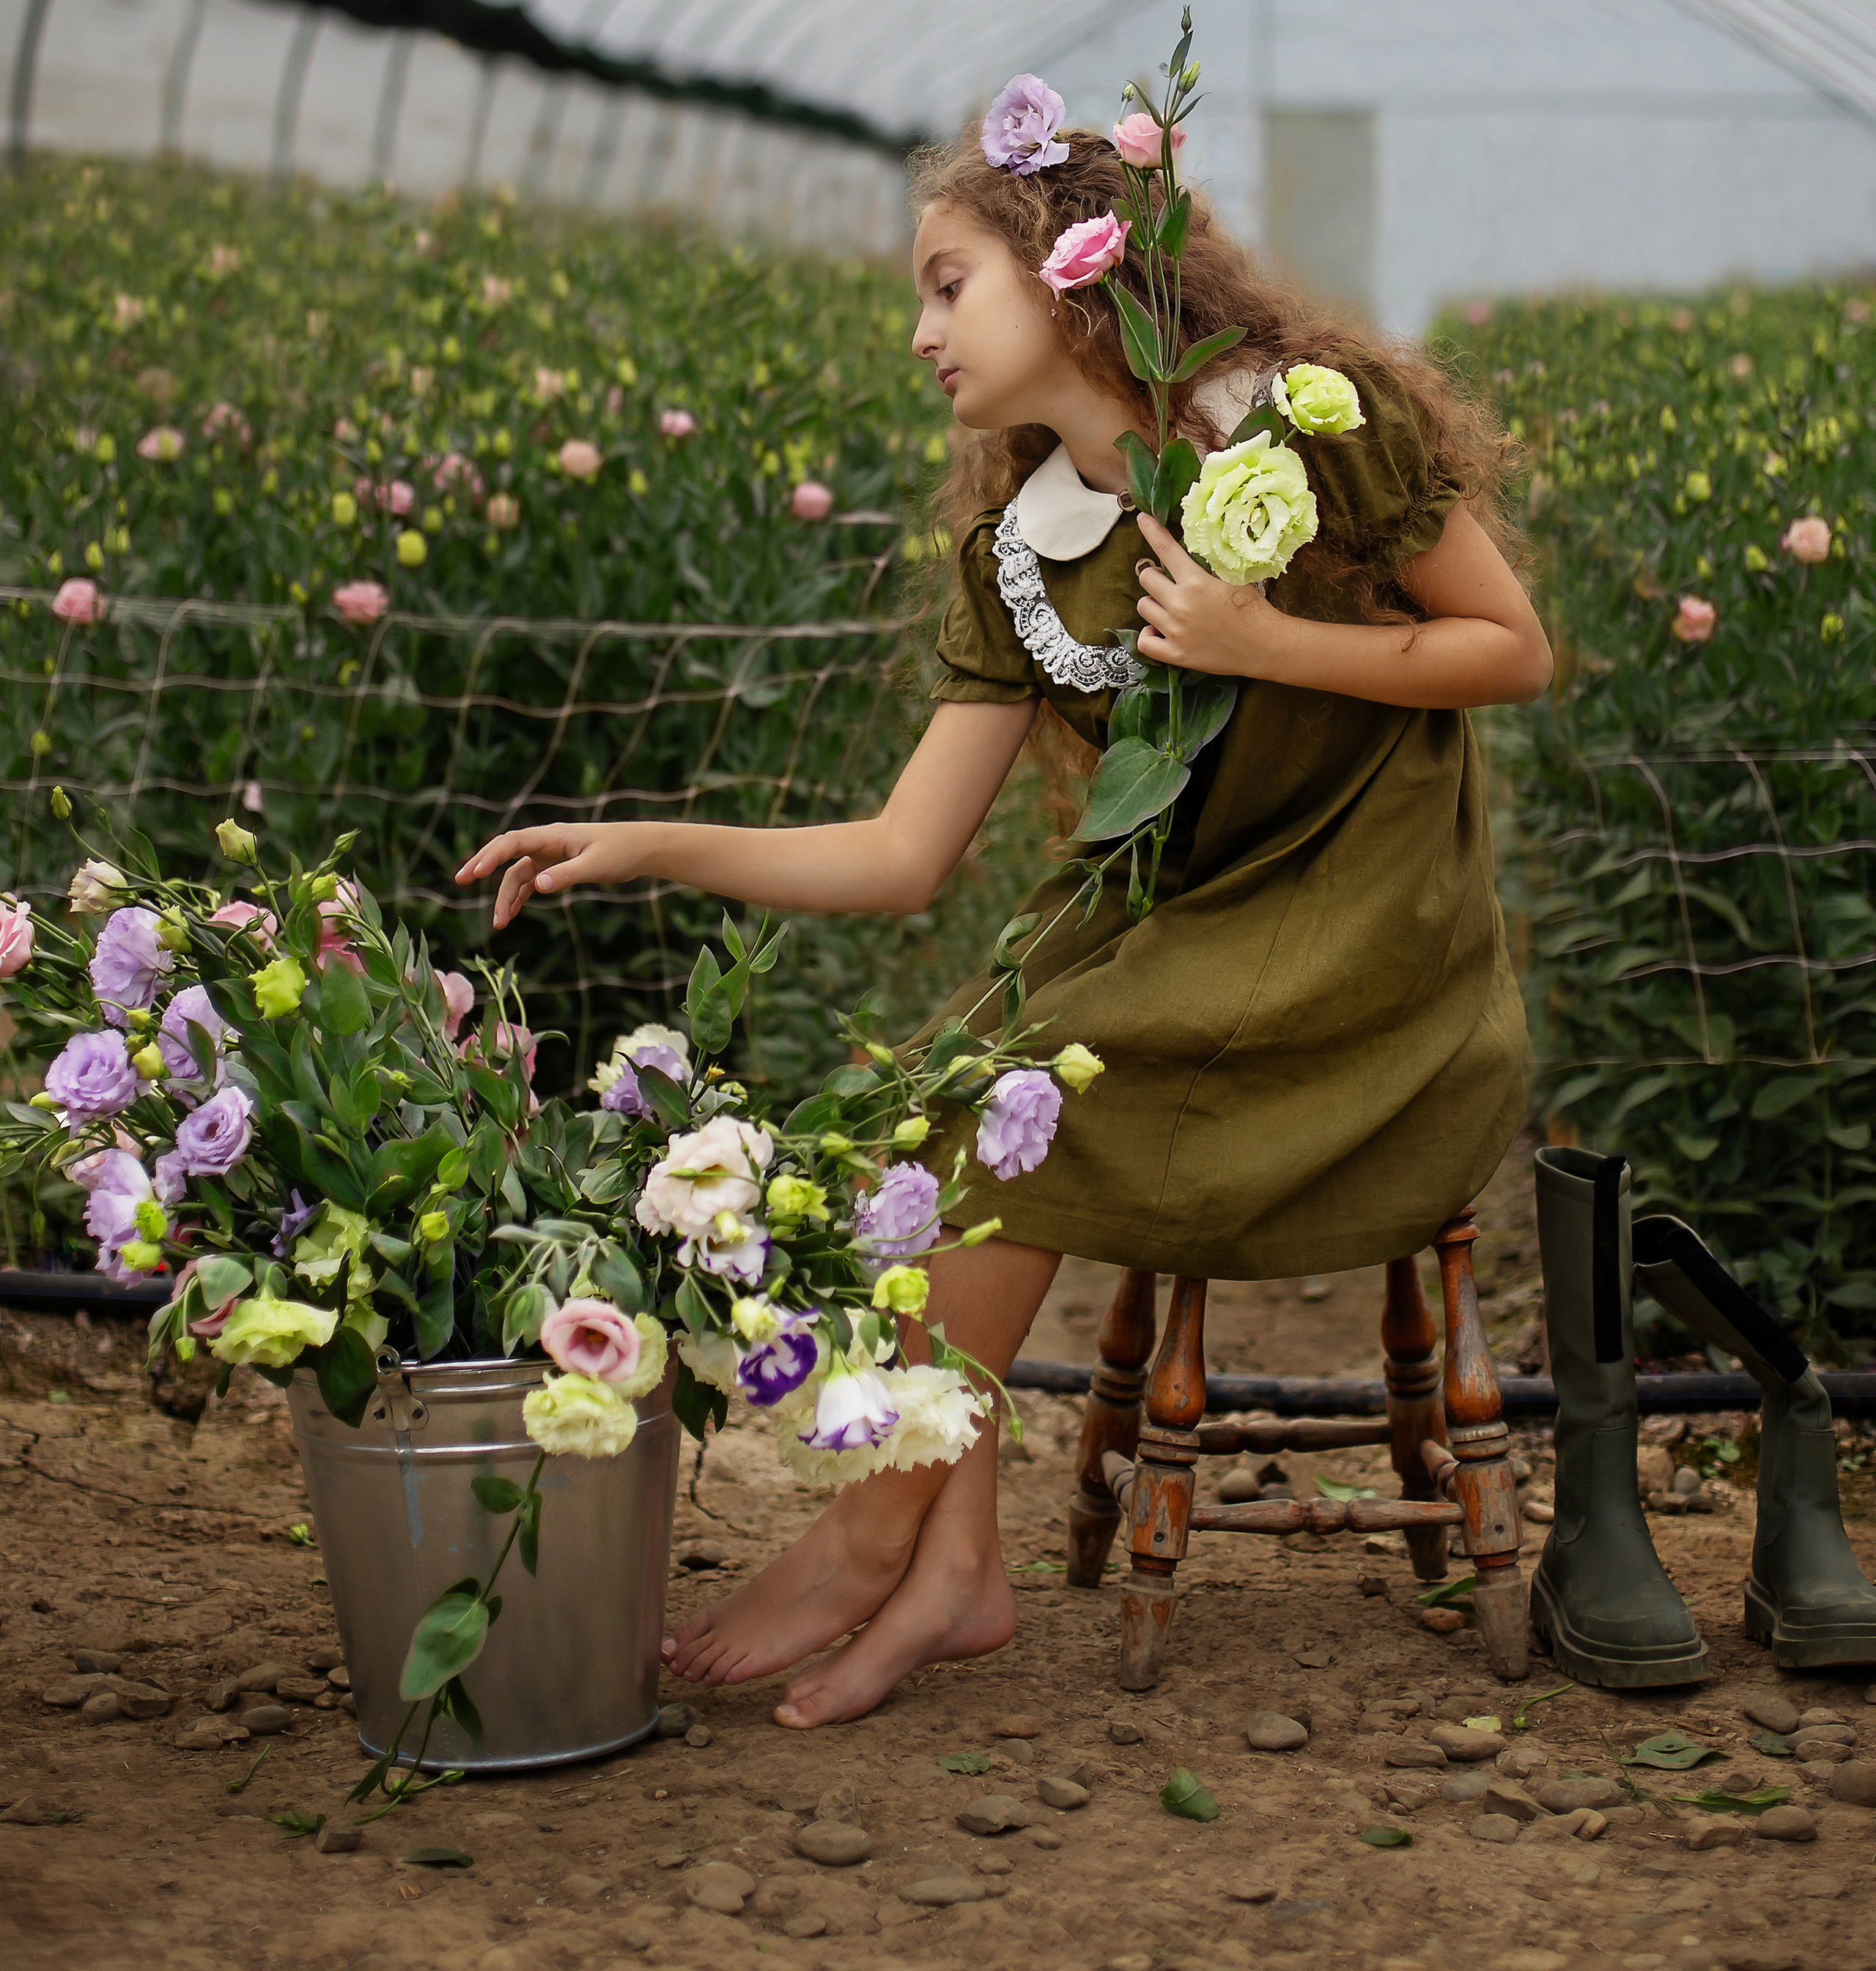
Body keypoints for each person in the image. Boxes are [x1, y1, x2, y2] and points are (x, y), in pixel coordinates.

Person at [455, 114, 1549, 1730]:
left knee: (1031, 1073)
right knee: (951, 1089)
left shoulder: (1317, 433)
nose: (917, 332)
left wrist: (1261, 642)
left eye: (946, 284)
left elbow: (1509, 648)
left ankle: (873, 1527)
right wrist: (648, 843)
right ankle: (953, 1563)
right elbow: (904, 855)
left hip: (1370, 926)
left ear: (1070, 276)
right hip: (1175, 920)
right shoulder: (1020, 551)